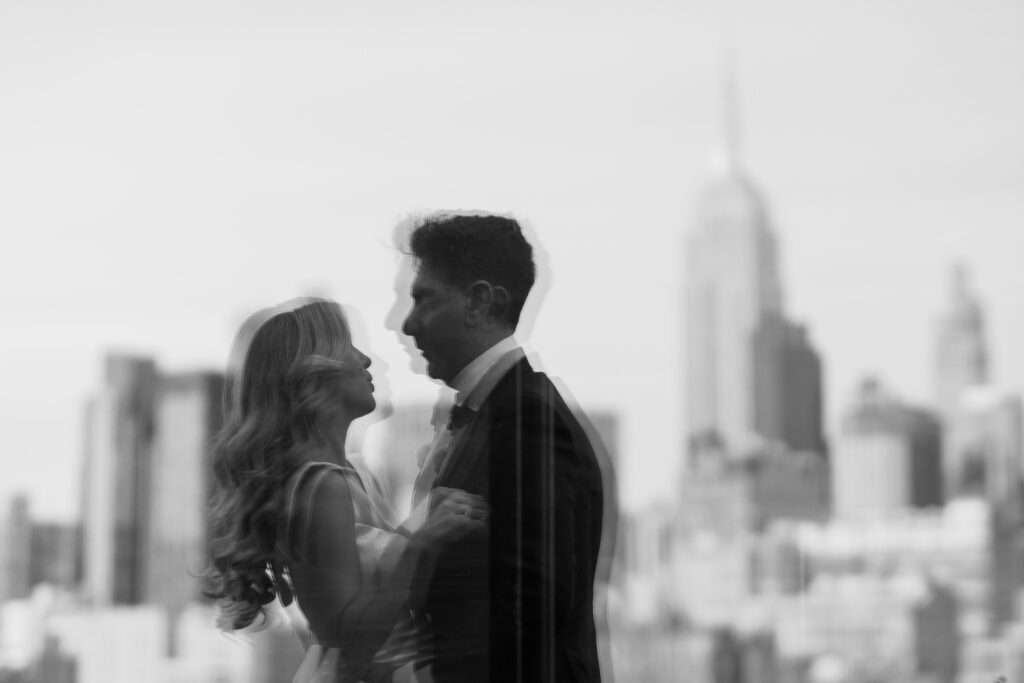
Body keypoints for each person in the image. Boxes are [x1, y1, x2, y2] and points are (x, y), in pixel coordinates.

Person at [205, 297, 488, 682]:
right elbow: (349, 646)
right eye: (348, 348)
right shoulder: (320, 486)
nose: (365, 360)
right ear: (312, 374)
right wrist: (422, 542)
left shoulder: (346, 477)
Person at [397, 214, 608, 682]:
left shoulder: (528, 419)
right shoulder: (495, 414)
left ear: (479, 302)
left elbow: (531, 609)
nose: (408, 323)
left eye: (423, 299)